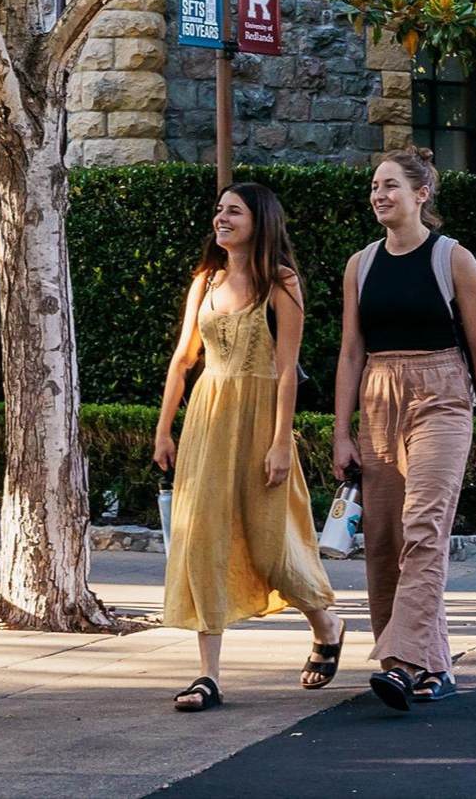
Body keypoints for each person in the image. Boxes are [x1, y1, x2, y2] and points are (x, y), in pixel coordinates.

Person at [153, 181, 346, 712]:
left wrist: (281, 442)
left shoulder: (281, 282)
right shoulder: (205, 282)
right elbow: (183, 359)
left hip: (260, 421)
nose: (221, 218)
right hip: (207, 422)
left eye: (233, 211)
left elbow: (287, 371)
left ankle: (326, 624)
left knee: (270, 541)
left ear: (259, 221)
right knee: (202, 540)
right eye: (219, 210)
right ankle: (207, 676)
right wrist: (164, 428)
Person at [331, 146, 476, 711]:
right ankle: (428, 665)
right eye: (375, 187)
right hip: (379, 396)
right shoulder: (360, 264)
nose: (379, 195)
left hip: (443, 394)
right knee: (383, 539)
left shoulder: (454, 259)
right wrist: (342, 430)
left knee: (423, 525)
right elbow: (351, 352)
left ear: (421, 195)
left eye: (390, 186)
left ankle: (404, 661)